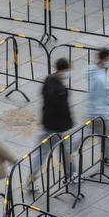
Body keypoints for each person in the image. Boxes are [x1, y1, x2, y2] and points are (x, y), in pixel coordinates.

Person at [27, 58, 74, 190]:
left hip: (46, 123)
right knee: (65, 151)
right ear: (64, 70)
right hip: (57, 128)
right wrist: (67, 124)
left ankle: (30, 182)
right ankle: (70, 175)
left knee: (41, 154)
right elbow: (64, 110)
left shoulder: (48, 80)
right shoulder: (61, 90)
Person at [87, 49, 109, 165]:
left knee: (105, 134)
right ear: (105, 59)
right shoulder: (100, 77)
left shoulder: (96, 71)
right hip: (100, 113)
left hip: (96, 112)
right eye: (108, 58)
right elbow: (101, 95)